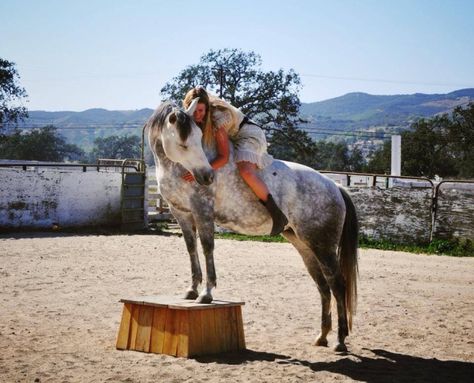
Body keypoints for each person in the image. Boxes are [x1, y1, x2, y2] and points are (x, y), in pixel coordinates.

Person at [182, 86, 288, 235]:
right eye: (194, 110)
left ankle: (278, 215)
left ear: (207, 109)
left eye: (201, 111)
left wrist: (198, 174)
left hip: (248, 135)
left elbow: (223, 158)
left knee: (245, 171)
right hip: (233, 138)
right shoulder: (189, 118)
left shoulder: (217, 118)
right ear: (188, 107)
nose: (197, 114)